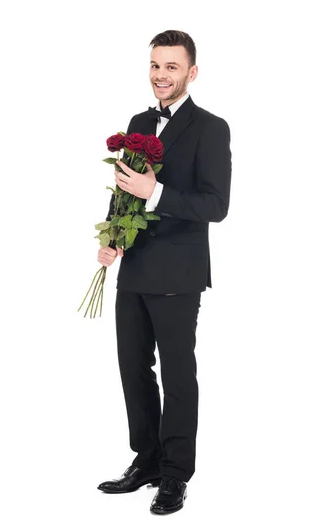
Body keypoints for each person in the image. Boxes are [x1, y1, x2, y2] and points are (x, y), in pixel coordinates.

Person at [96, 30, 232, 515]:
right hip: (133, 265)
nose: (161, 75)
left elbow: (216, 206)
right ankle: (147, 459)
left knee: (177, 376)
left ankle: (175, 474)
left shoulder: (211, 128)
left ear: (191, 73)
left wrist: (156, 193)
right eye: (155, 65)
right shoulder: (138, 122)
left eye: (171, 67)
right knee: (132, 366)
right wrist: (111, 237)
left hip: (178, 272)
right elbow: (125, 189)